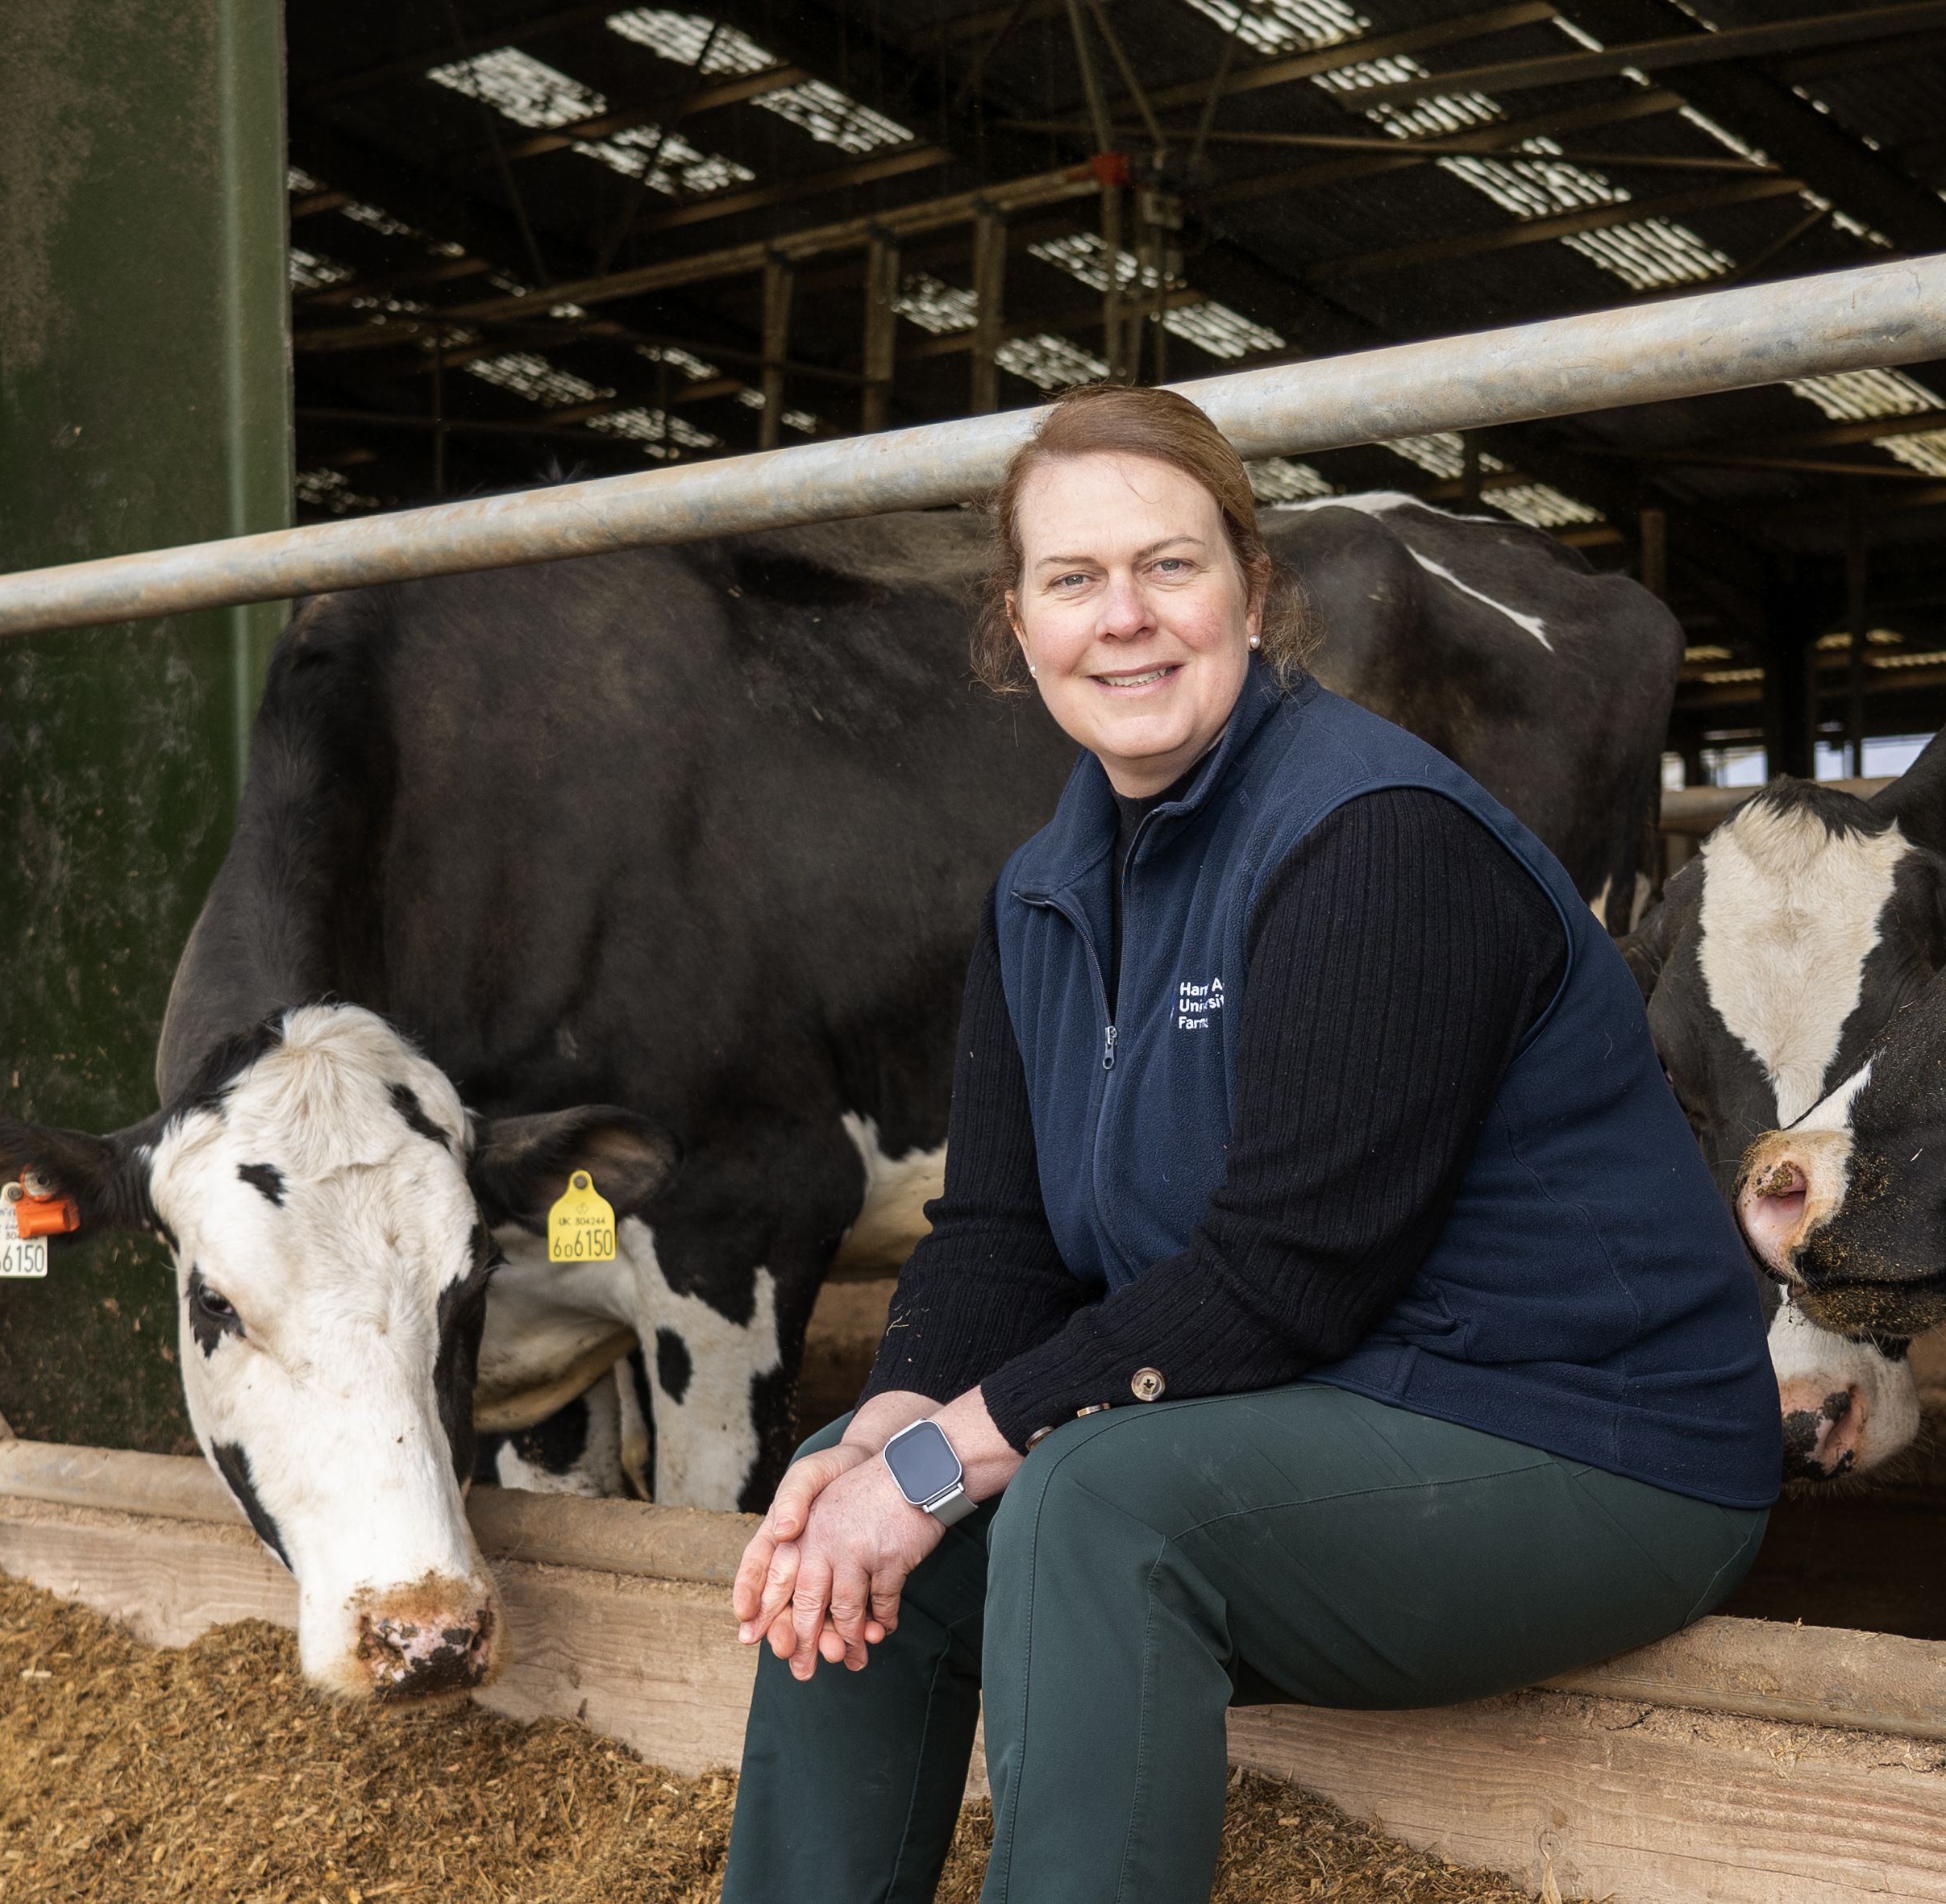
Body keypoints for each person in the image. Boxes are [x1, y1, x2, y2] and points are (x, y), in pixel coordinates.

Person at [721, 385, 1778, 1904]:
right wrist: (896, 1419)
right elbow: (1001, 1236)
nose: (1125, 619)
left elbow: (1288, 1272)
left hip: (1583, 1443)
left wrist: (961, 1448)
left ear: (1256, 594)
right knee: (847, 1471)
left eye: (1172, 565)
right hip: (1317, 1402)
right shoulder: (1041, 892)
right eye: (1073, 580)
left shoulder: (1374, 840)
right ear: (1014, 629)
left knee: (1099, 1500)